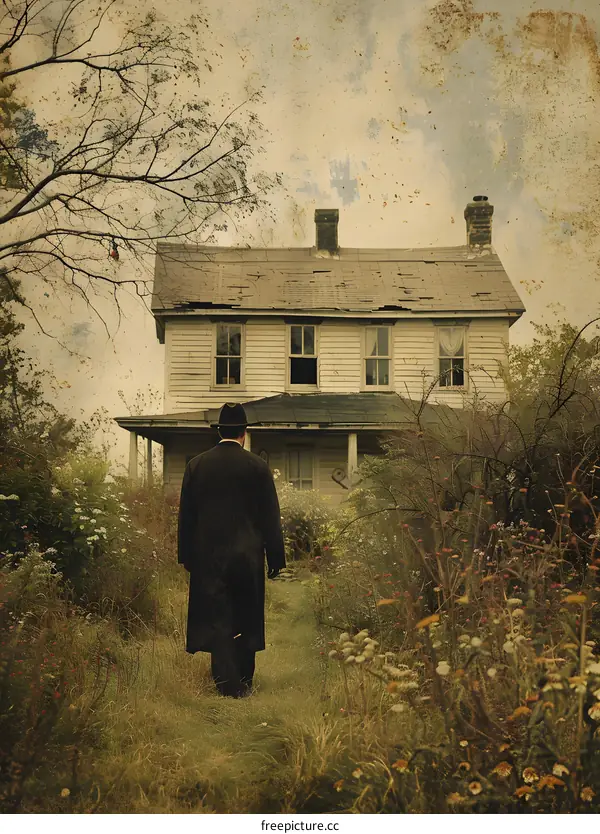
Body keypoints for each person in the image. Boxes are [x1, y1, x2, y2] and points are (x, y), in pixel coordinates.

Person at [177, 402, 286, 698]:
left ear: (220, 431)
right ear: (244, 433)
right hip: (247, 556)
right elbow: (270, 517)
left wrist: (186, 555)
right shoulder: (257, 467)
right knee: (246, 616)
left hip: (208, 557)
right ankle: (244, 682)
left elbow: (187, 515)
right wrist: (276, 558)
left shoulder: (196, 466)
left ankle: (225, 682)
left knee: (218, 616)